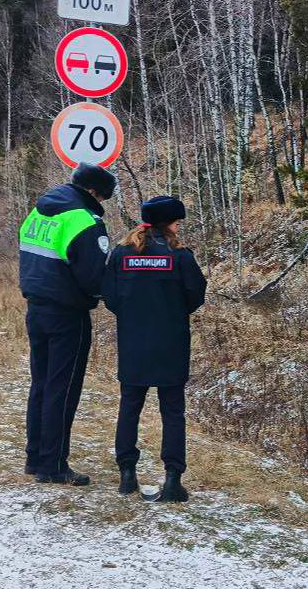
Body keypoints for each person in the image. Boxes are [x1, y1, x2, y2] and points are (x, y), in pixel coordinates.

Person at [19, 162, 117, 486]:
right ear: (92, 191)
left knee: (41, 384)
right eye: (101, 197)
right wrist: (116, 293)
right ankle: (54, 465)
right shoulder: (84, 221)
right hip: (67, 314)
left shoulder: (38, 212)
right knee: (63, 388)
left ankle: (35, 457)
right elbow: (93, 277)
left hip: (36, 308)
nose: (100, 203)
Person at [103, 196, 206, 502]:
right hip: (171, 343)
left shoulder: (121, 254)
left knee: (129, 407)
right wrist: (172, 311)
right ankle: (173, 479)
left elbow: (110, 296)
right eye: (177, 222)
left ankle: (127, 474)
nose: (178, 227)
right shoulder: (180, 256)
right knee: (172, 412)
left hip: (133, 342)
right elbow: (196, 295)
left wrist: (132, 315)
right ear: (168, 224)